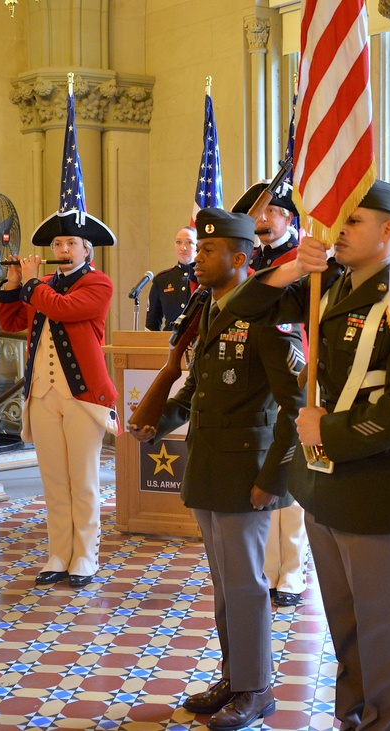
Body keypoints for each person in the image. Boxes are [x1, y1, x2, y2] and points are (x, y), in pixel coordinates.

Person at [226, 180, 390, 731]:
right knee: (345, 625)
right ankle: (352, 717)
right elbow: (243, 306)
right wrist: (294, 268)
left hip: (378, 486)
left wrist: (329, 431)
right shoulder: (330, 285)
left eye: (352, 221)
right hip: (324, 486)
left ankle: (384, 722)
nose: (337, 230)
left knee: (383, 629)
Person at [130, 208, 306, 731]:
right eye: (198, 249)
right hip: (207, 469)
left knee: (248, 585)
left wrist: (273, 482)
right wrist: (156, 424)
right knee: (226, 585)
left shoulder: (267, 313)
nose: (198, 258)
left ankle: (257, 689)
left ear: (240, 256)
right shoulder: (210, 307)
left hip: (246, 477)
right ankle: (235, 677)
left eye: (210, 251)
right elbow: (198, 391)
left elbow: (295, 409)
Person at [0, 209, 119, 590]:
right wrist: (13, 282)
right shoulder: (42, 283)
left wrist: (32, 284)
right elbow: (11, 322)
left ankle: (86, 554)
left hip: (83, 395)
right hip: (43, 393)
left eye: (70, 243)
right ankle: (59, 552)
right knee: (53, 480)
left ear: (87, 250)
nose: (63, 249)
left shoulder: (99, 284)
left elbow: (64, 310)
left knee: (82, 480)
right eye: (57, 244)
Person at [234, 180, 311, 608]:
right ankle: (269, 566)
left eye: (271, 213)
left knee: (287, 466)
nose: (262, 220)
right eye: (259, 214)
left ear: (288, 219)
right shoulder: (252, 258)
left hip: (290, 366)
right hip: (253, 370)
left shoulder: (297, 260)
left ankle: (293, 570)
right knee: (262, 469)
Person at [232, 180, 299, 271]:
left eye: (271, 211)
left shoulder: (300, 259)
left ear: (288, 218)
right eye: (258, 212)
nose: (262, 218)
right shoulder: (247, 258)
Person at [145, 225, 198, 331]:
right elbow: (152, 324)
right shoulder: (162, 279)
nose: (183, 247)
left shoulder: (206, 278)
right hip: (169, 342)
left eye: (189, 242)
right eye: (179, 242)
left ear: (198, 246)